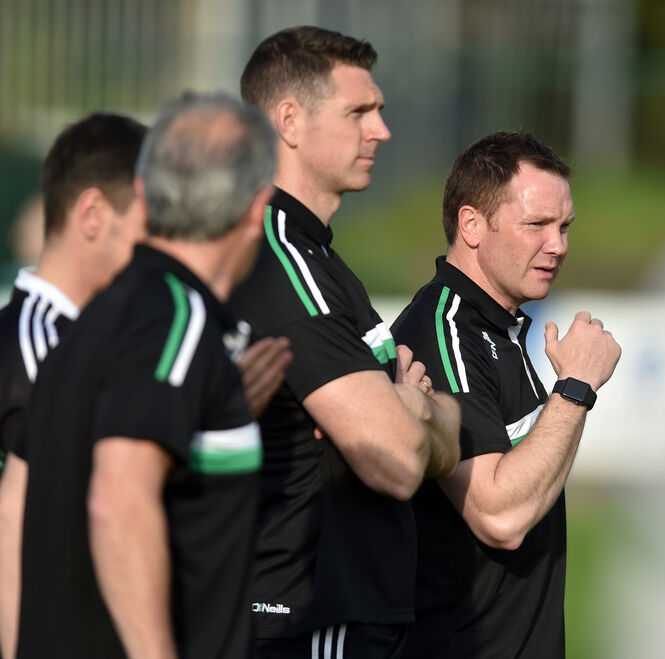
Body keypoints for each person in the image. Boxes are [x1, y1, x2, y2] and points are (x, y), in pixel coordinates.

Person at [12, 92, 278, 659]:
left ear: (144, 191)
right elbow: (119, 496)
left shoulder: (93, 321)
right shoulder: (178, 318)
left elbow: (20, 494)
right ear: (258, 209)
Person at [231, 26, 461, 657]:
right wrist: (412, 408)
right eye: (359, 111)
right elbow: (397, 461)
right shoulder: (280, 259)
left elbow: (422, 441)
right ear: (289, 122)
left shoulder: (317, 259)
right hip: (308, 615)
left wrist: (410, 410)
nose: (380, 130)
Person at [391, 131, 622, 658]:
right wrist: (576, 388)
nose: (558, 244)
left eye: (564, 226)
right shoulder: (445, 333)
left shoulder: (499, 331)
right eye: (537, 224)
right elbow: (499, 516)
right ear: (472, 224)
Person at [0, 112, 147, 658]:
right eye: (148, 225)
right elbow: (27, 521)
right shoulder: (43, 347)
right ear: (92, 214)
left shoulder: (84, 341)